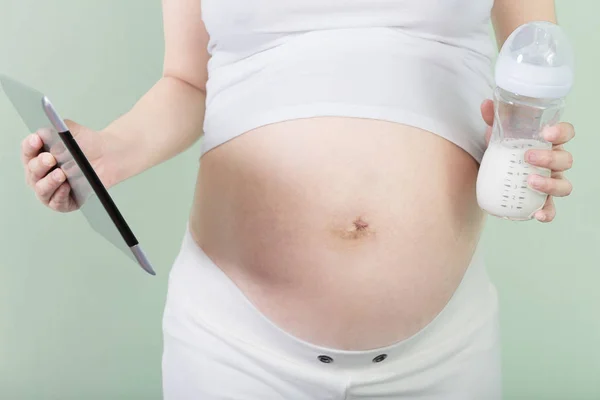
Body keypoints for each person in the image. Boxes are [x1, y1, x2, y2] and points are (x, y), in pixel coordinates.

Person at [20, 0, 575, 398]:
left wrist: (529, 149)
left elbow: (536, 72)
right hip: (234, 349)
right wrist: (109, 153)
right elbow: (187, 82)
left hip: (445, 353)